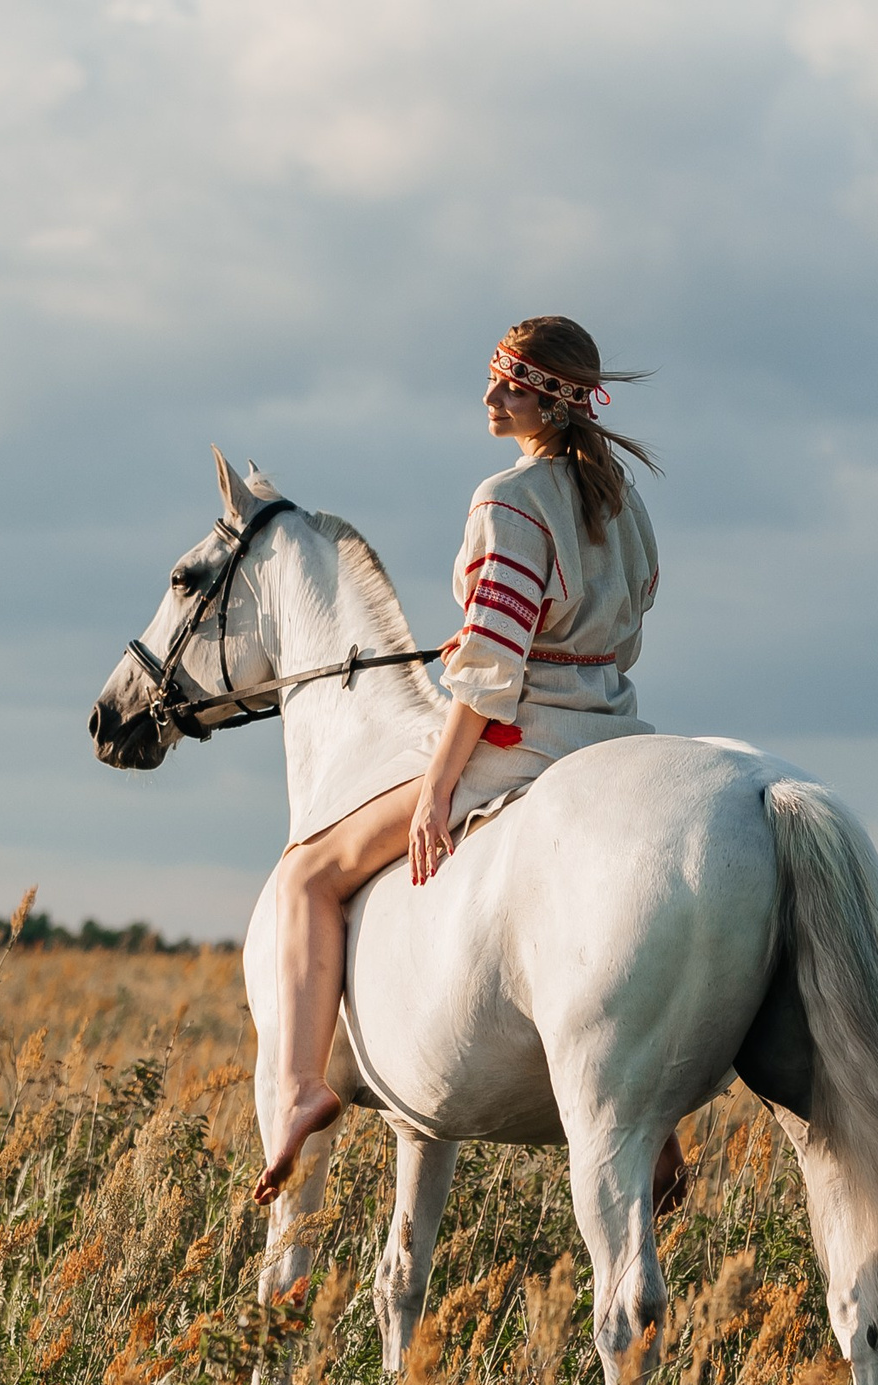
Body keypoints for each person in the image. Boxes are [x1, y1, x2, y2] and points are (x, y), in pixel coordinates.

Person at [254, 316, 687, 1209]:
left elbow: (490, 668)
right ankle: (659, 1118)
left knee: (309, 875)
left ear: (550, 400)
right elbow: (629, 626)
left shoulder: (509, 499)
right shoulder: (623, 505)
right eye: (493, 380)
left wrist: (440, 785)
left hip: (522, 745)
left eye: (510, 385)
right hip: (614, 739)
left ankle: (299, 1085)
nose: (491, 398)